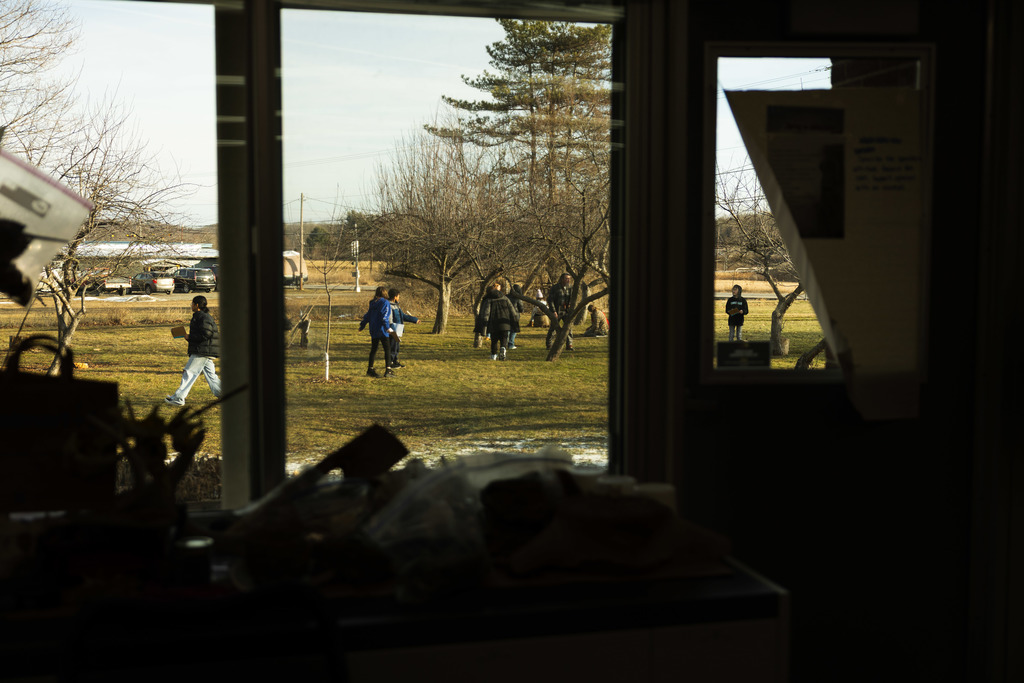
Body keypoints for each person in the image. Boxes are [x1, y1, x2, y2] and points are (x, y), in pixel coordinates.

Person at [165, 295, 222, 406]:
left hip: (202, 351)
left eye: (192, 304)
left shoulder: (203, 317)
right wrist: (188, 337)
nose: (191, 305)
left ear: (196, 305)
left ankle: (178, 398)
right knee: (211, 376)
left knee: (189, 373)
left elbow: (207, 334)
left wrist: (190, 337)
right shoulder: (201, 316)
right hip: (205, 350)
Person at [359, 286, 396, 378]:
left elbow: (368, 315)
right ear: (385, 293)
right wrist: (387, 327)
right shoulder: (385, 302)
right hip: (382, 329)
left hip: (373, 329)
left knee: (374, 349)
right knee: (387, 349)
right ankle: (388, 369)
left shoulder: (372, 303)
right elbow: (384, 316)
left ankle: (370, 369)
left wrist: (362, 325)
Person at [477, 284, 519, 360]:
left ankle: (493, 355)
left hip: (493, 323)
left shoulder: (489, 300)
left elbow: (486, 313)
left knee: (494, 340)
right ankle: (503, 348)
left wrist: (484, 324)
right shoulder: (505, 298)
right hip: (505, 322)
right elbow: (512, 311)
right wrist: (514, 321)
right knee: (504, 338)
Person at [388, 288, 418, 368]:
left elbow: (403, 316)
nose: (399, 298)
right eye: (398, 296)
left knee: (397, 347)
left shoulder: (397, 306)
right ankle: (390, 363)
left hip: (398, 329)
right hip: (393, 330)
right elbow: (389, 320)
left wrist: (415, 320)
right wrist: (391, 330)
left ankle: (395, 361)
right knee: (392, 347)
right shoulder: (389, 306)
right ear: (395, 297)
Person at [545, 272, 574, 350]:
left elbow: (572, 299)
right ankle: (549, 344)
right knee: (553, 328)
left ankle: (569, 345)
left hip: (566, 311)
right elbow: (550, 300)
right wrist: (553, 311)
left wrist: (570, 306)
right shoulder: (555, 288)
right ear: (562, 279)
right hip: (557, 310)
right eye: (566, 278)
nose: (568, 280)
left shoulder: (570, 287)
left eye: (569, 279)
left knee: (569, 328)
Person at [507, 283, 524, 349]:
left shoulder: (506, 296)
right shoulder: (518, 298)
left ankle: (505, 343)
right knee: (513, 330)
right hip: (515, 315)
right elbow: (521, 307)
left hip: (506, 314)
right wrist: (522, 310)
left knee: (508, 329)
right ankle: (511, 344)